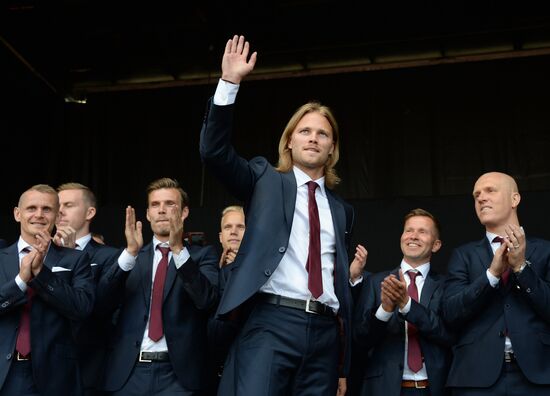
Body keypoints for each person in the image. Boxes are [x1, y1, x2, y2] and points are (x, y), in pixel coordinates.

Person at [200, 35, 357, 396]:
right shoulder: (263, 179)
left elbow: (340, 285)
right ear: (289, 141)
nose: (313, 138)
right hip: (271, 322)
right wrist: (229, 84)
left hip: (325, 333)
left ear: (332, 147)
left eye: (323, 133)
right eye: (304, 131)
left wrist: (343, 364)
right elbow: (214, 152)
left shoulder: (342, 211)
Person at [96, 177, 219, 395]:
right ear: (148, 214)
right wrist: (130, 253)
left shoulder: (201, 256)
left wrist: (179, 250)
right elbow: (101, 303)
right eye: (155, 205)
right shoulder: (130, 258)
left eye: (170, 204)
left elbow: (207, 301)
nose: (161, 210)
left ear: (184, 213)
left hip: (179, 377)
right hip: (129, 374)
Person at [443, 172, 550, 395]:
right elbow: (450, 313)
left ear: (515, 199)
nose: (481, 198)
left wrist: (521, 268)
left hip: (539, 375)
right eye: (476, 195)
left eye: (490, 190)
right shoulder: (464, 256)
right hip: (475, 377)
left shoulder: (545, 251)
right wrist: (491, 274)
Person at [0, 184, 95, 395]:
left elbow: (82, 308)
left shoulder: (76, 258)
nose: (39, 215)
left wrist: (42, 274)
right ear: (17, 214)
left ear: (57, 216)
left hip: (55, 375)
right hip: (4, 372)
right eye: (31, 208)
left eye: (47, 209)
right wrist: (21, 281)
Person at [353, 208, 453, 396]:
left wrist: (407, 305)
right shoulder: (376, 282)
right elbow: (360, 340)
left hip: (434, 388)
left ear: (436, 245)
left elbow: (449, 333)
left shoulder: (447, 285)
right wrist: (385, 310)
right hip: (386, 388)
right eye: (409, 230)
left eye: (422, 232)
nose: (413, 236)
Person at [57, 182, 120, 395]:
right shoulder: (39, 253)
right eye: (57, 205)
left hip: (89, 366)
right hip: (44, 366)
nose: (60, 211)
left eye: (68, 205)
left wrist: (70, 257)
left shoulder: (110, 256)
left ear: (90, 212)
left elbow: (100, 308)